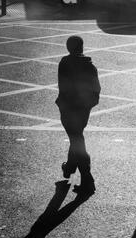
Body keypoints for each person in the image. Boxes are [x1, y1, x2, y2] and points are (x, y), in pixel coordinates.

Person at [56, 35, 100, 196]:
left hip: (68, 109)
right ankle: (69, 169)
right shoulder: (90, 66)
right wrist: (88, 105)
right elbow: (96, 90)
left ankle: (88, 181)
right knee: (76, 138)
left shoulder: (65, 63)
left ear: (69, 48)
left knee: (77, 141)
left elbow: (64, 86)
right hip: (83, 110)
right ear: (82, 47)